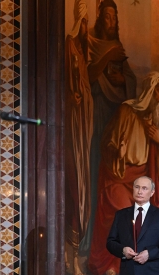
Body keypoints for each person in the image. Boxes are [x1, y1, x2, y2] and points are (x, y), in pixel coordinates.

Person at [88, 71, 159, 275]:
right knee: (122, 210)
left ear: (150, 192)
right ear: (149, 90)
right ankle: (110, 265)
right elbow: (108, 144)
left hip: (152, 270)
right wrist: (123, 251)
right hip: (119, 177)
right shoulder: (126, 111)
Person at [79, 0, 137, 260]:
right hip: (98, 112)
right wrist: (105, 62)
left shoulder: (118, 48)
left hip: (118, 116)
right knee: (95, 169)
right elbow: (87, 75)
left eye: (114, 17)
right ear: (100, 19)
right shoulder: (90, 44)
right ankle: (91, 239)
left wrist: (122, 80)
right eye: (107, 16)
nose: (110, 21)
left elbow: (131, 83)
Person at [64, 0, 93, 273]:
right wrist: (71, 100)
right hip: (72, 128)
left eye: (87, 22)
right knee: (74, 188)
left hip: (85, 128)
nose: (86, 28)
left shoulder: (84, 55)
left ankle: (78, 248)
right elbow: (60, 84)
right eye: (83, 22)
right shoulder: (69, 47)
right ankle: (69, 251)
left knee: (83, 187)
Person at [106, 176, 159, 275]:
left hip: (152, 271)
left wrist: (149, 254)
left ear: (152, 192)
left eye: (144, 188)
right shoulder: (121, 215)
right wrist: (123, 250)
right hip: (128, 271)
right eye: (137, 187)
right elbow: (110, 242)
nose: (139, 191)